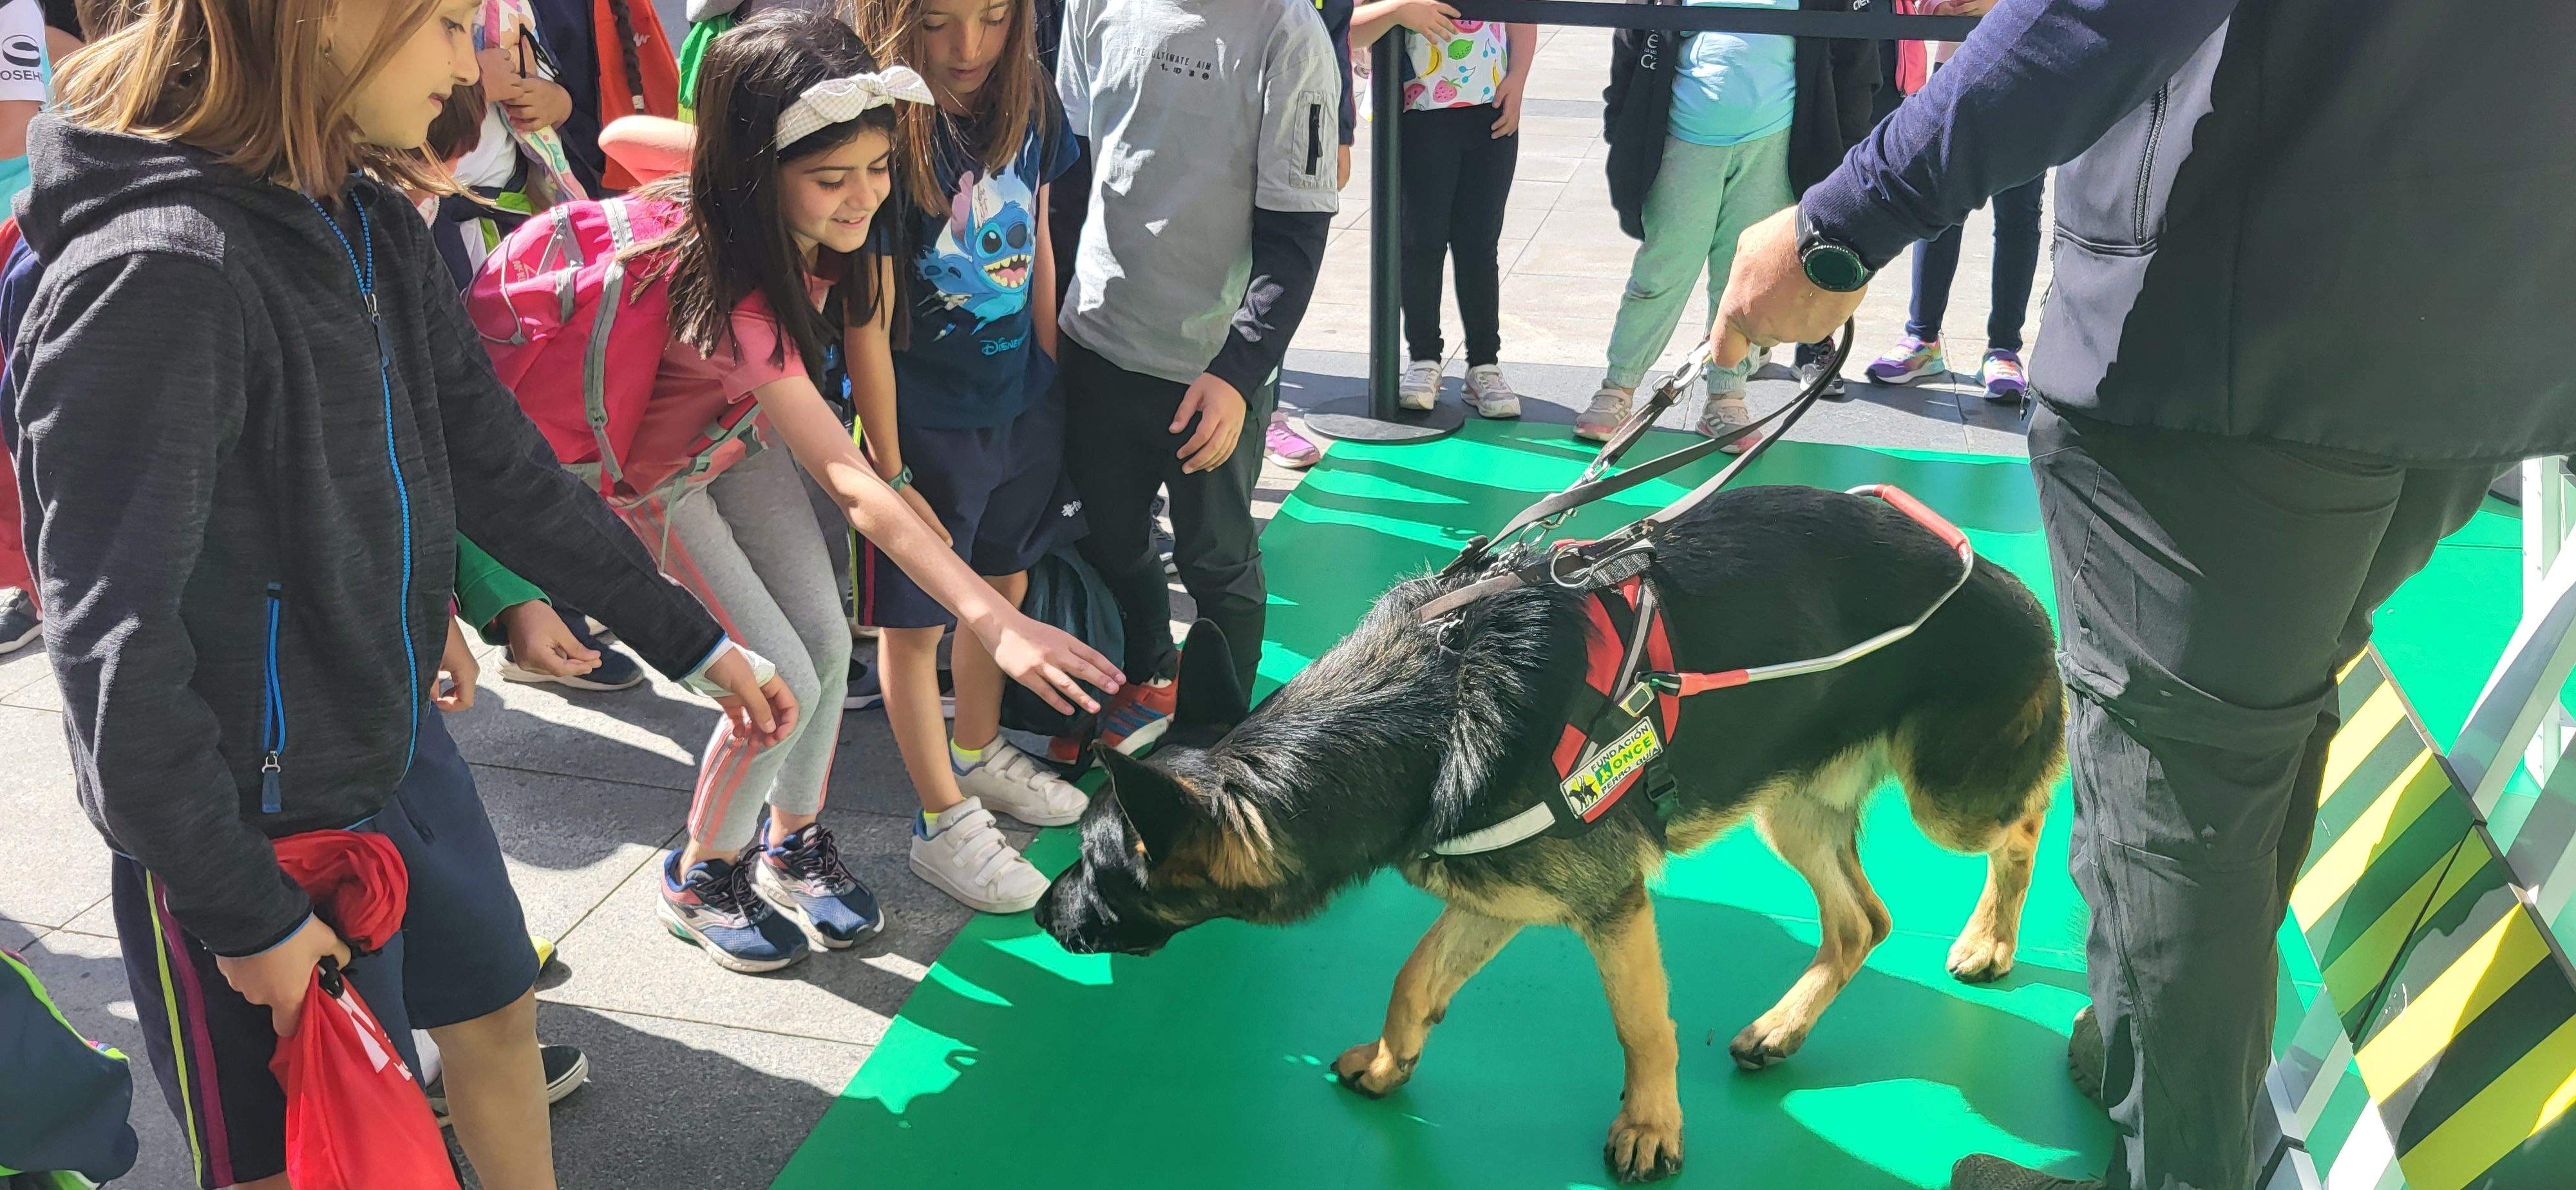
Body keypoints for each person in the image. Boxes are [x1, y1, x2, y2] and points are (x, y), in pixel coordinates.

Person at [1705, 0, 2575, 1185]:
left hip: (2234, 336)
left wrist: (1842, 226)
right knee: (2258, 726)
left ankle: (2178, 1148)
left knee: (2176, 806)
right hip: (2489, 334)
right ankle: (2139, 1064)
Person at [13, 0, 797, 1185]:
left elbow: (492, 458)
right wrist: (248, 914)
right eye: (438, 20)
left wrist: (691, 641)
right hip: (249, 839)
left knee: (490, 1013)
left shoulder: (364, 215)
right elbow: (115, 656)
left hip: (380, 753)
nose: (466, 58)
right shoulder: (157, 274)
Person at [511, 11, 1119, 972]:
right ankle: (703, 869)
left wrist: (729, 155)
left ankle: (792, 840)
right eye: (833, 179)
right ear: (759, 172)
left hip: (732, 442)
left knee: (829, 646)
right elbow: (851, 481)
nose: (866, 197)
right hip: (654, 480)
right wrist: (990, 617)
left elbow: (629, 138)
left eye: (878, 168)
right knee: (770, 680)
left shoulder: (782, 200)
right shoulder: (745, 294)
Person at [843, 0, 1094, 914]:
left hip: (1019, 402)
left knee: (1007, 587)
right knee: (914, 630)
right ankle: (941, 823)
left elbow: (1043, 239)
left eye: (993, 19)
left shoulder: (1030, 103)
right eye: (940, 22)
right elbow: (862, 313)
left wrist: (1050, 373)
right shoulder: (881, 134)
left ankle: (979, 751)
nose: (969, 49)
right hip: (925, 424)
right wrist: (890, 465)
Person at [1054, 0, 1341, 750]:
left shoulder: (1287, 30)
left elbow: (1298, 231)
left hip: (1208, 370)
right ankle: (1150, 663)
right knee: (1109, 537)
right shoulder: (1093, 6)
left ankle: (1219, 729)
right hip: (1094, 339)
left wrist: (1237, 371)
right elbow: (1072, 172)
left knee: (1215, 558)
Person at [1590, 0, 1877, 448]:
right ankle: (1617, 388)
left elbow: (1855, 58)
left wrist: (1844, 151)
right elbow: (1634, 37)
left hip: (1775, 141)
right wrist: (1619, 123)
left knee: (1743, 279)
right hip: (1683, 134)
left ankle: (1726, 398)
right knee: (1662, 269)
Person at [1349, 1, 1533, 420]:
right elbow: (1352, 23)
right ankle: (1423, 359)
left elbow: (1523, 15)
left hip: (1489, 109)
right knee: (1420, 242)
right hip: (1416, 112)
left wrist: (1518, 78)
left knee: (1479, 245)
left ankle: (1484, 365)